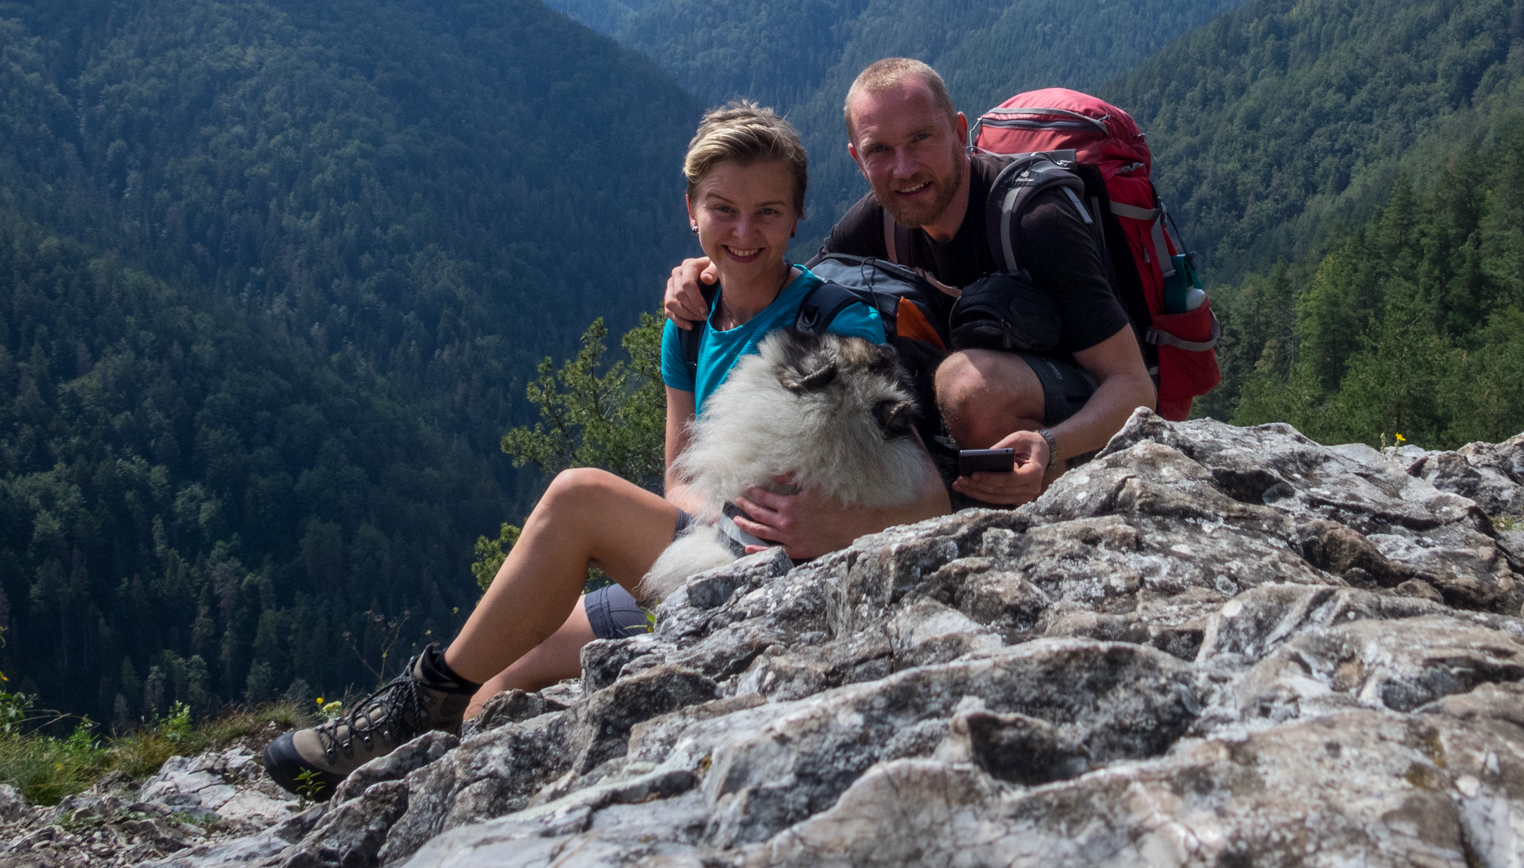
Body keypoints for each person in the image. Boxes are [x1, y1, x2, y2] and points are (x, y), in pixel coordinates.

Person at [262, 103, 950, 797]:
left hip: (791, 574)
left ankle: (410, 706)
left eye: (768, 212)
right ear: (691, 210)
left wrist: (834, 525)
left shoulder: (835, 322)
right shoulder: (686, 328)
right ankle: (388, 769)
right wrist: (710, 517)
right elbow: (678, 478)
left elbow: (930, 498)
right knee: (495, 676)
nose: (744, 233)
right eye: (723, 210)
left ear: (798, 216)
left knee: (578, 497)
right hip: (711, 550)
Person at [667, 59, 1156, 508]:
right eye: (880, 150)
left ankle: (1053, 522)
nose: (903, 169)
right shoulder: (877, 223)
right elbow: (786, 281)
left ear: (959, 132)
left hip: (1083, 415)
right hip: (976, 433)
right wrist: (709, 271)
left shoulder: (1034, 222)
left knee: (968, 385)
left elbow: (1134, 386)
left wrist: (1053, 446)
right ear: (858, 159)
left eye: (920, 138)